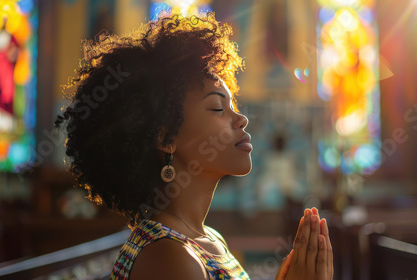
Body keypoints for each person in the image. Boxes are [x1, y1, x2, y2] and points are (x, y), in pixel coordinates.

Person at [54, 11, 333, 280]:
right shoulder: (169, 258)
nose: (241, 119)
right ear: (166, 139)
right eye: (217, 108)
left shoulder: (208, 238)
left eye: (233, 105)